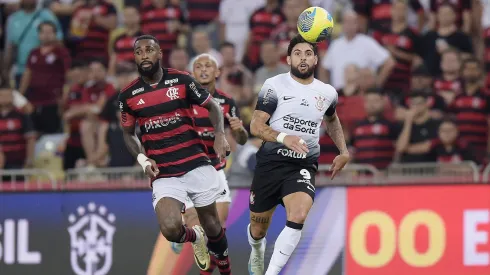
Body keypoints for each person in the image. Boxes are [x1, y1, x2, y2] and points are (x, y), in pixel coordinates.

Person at [118, 35, 232, 274]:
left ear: (159, 53)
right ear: (135, 57)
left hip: (195, 162)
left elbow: (212, 107)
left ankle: (225, 268)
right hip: (164, 171)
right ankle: (194, 236)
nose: (144, 55)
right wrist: (142, 158)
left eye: (149, 50)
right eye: (139, 52)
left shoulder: (182, 80)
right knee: (170, 229)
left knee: (213, 225)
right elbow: (128, 134)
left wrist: (220, 135)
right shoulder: (128, 95)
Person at [247, 35, 350, 275]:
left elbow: (332, 120)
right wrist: (285, 137)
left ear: (315, 59)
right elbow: (255, 125)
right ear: (288, 59)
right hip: (270, 164)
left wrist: (344, 151)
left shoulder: (327, 92)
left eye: (307, 54)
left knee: (299, 214)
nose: (302, 58)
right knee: (258, 229)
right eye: (297, 54)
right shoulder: (274, 85)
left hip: (302, 165)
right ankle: (256, 248)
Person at [168, 53, 248, 274]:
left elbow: (241, 139)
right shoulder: (182, 102)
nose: (203, 70)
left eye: (208, 66)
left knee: (217, 231)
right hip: (187, 171)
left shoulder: (227, 102)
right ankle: (183, 231)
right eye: (198, 66)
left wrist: (239, 130)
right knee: (198, 225)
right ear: (193, 74)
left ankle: (185, 235)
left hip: (216, 171)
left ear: (217, 72)